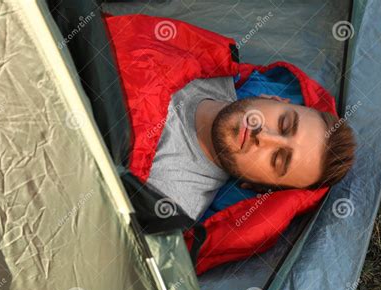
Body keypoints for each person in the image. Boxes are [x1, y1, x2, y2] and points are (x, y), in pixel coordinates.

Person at [146, 76, 356, 220]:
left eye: (277, 159)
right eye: (283, 124)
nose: (264, 136)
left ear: (257, 187)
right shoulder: (210, 61)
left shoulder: (170, 201)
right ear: (273, 98)